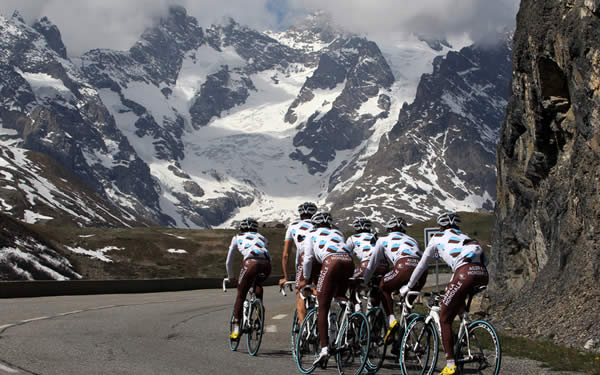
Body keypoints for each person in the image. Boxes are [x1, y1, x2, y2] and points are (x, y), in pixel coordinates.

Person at [400, 211, 489, 375]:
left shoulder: (436, 238)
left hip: (464, 273)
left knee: (444, 318)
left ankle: (450, 365)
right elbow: (485, 260)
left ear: (440, 226)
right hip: (483, 273)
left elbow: (421, 265)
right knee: (456, 298)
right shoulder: (465, 236)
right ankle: (464, 331)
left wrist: (408, 286)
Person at [298, 210, 354, 366]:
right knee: (340, 295)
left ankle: (324, 350)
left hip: (331, 262)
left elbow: (308, 259)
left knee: (323, 305)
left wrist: (306, 279)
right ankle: (351, 321)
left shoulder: (311, 234)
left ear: (315, 224)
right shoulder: (338, 232)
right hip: (348, 261)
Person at [363, 216, 427, 343]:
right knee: (406, 303)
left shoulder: (383, 239)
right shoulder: (412, 239)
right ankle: (403, 341)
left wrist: (364, 281)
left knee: (383, 286)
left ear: (389, 229)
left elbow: (371, 265)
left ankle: (392, 320)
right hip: (422, 270)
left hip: (404, 266)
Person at [226, 217, 272, 340]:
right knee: (257, 286)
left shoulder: (237, 237)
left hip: (250, 263)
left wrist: (231, 277)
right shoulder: (263, 237)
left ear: (241, 228)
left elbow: (228, 261)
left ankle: (236, 329)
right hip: (267, 265)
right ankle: (259, 316)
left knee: (241, 294)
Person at [279, 202, 318, 323]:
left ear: (300, 215)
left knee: (300, 292)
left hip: (304, 259)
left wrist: (286, 277)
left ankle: (303, 332)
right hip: (321, 259)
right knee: (318, 289)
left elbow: (285, 255)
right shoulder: (320, 225)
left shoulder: (293, 225)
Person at [346, 217, 388, 311]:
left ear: (355, 229)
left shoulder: (352, 238)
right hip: (383, 266)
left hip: (366, 264)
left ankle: (357, 307)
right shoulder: (377, 237)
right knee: (375, 286)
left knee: (353, 282)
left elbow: (346, 257)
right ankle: (374, 311)